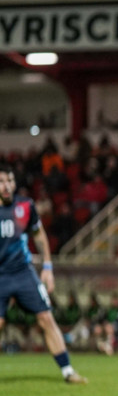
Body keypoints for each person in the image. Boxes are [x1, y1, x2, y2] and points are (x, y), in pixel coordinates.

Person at [0, 163, 87, 383]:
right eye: (1, 181)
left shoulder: (26, 206)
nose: (6, 186)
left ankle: (68, 371)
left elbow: (39, 236)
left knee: (46, 317)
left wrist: (47, 267)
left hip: (23, 272)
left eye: (9, 181)